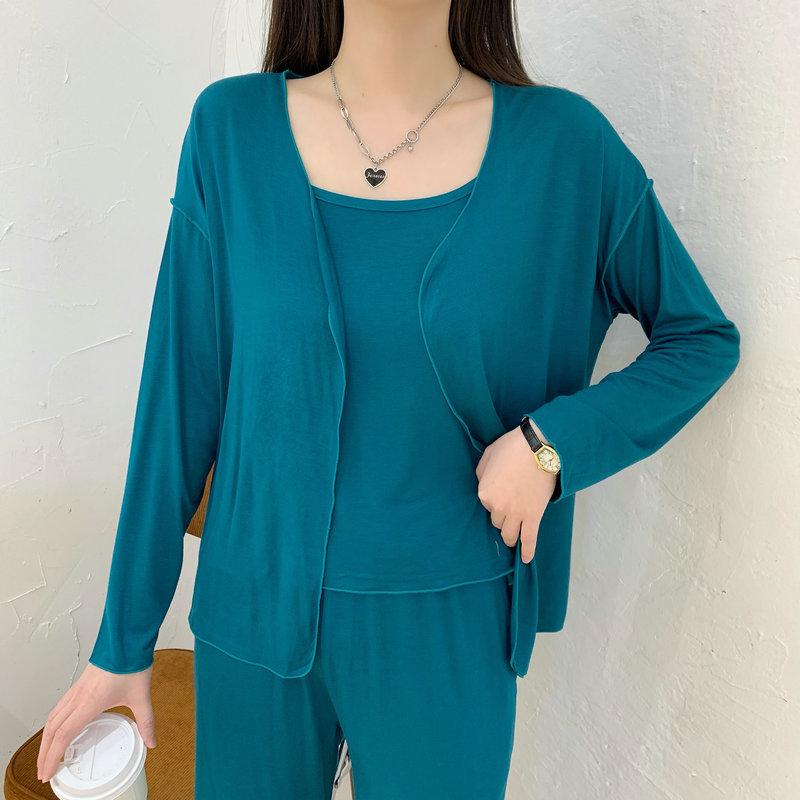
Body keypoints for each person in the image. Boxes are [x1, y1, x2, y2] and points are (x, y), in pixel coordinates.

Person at [37, 1, 741, 797]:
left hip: (449, 623)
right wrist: (122, 638)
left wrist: (553, 447)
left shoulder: (565, 149)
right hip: (252, 609)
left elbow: (700, 337)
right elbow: (177, 404)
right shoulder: (230, 134)